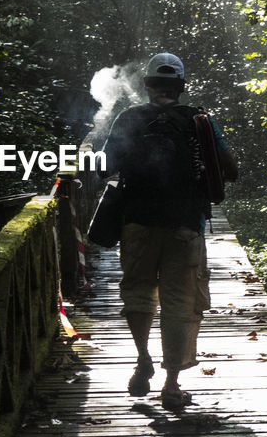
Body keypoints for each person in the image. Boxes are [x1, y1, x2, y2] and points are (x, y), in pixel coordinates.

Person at [101, 52, 237, 410]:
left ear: (147, 86)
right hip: (184, 223)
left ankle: (143, 357)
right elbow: (230, 169)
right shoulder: (199, 121)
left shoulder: (129, 118)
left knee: (137, 291)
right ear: (181, 87)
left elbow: (104, 167)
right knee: (179, 302)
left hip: (136, 221)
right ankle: (172, 385)